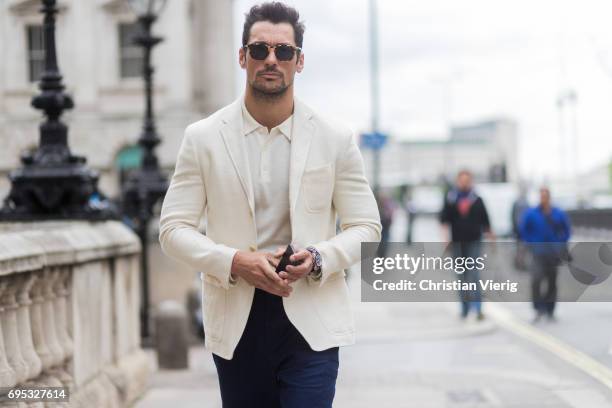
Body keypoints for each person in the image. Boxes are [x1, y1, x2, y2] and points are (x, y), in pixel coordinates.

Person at [158, 3, 382, 407]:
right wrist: (233, 261)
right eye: (260, 50)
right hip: (237, 322)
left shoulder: (335, 138)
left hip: (312, 321)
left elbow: (367, 228)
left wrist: (317, 256)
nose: (271, 60)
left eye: (284, 51)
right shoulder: (203, 137)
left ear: (299, 61)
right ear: (243, 57)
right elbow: (172, 230)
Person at [440, 170, 494, 320]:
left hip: (474, 241)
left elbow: (486, 222)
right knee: (461, 277)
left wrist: (492, 240)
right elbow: (444, 221)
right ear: (458, 181)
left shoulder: (477, 199)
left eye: (467, 180)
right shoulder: (451, 199)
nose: (464, 183)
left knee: (474, 275)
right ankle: (464, 308)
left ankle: (477, 308)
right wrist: (445, 240)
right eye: (461, 180)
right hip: (457, 242)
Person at [519, 187, 571, 322]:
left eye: (546, 196)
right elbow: (523, 229)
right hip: (537, 252)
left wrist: (561, 242)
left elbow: (566, 230)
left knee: (552, 281)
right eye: (541, 196)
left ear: (549, 197)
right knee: (536, 280)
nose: (544, 198)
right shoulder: (531, 213)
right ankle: (538, 308)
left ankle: (550, 309)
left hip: (554, 252)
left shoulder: (558, 213)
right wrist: (530, 242)